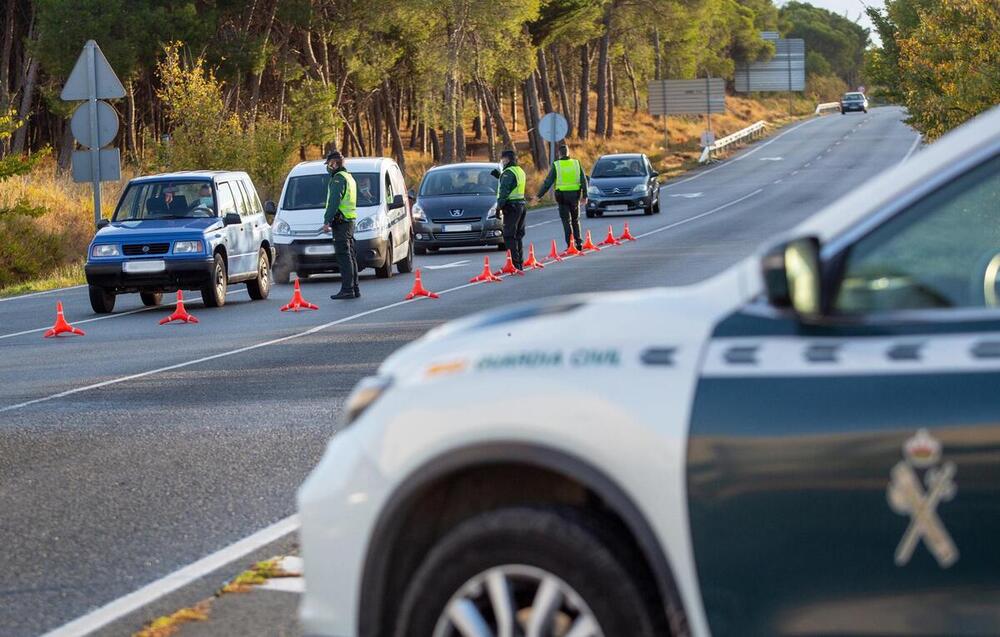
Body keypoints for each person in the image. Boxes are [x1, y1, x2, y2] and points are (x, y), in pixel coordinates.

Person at [320, 151, 360, 300]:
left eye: (329, 164)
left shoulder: (338, 179)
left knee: (344, 257)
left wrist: (327, 221)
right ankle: (354, 288)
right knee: (350, 256)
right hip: (349, 221)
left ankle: (347, 289)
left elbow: (334, 202)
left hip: (341, 222)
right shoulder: (349, 177)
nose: (328, 167)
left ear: (335, 164)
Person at [534, 142, 588, 251]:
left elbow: (547, 182)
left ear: (559, 154)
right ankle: (579, 242)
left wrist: (538, 196)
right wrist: (585, 195)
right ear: (568, 154)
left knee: (566, 221)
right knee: (575, 220)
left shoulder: (557, 165)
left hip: (562, 197)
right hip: (575, 196)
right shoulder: (576, 164)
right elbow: (583, 180)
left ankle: (570, 245)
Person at [494, 149, 527, 270]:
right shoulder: (519, 171)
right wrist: (499, 176)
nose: (501, 161)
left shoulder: (508, 172)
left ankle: (513, 264)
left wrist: (498, 208)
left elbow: (504, 191)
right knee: (518, 235)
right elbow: (514, 185)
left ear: (507, 159)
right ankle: (519, 264)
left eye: (502, 159)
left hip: (511, 207)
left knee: (509, 236)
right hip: (521, 206)